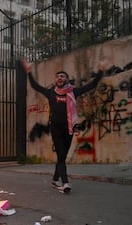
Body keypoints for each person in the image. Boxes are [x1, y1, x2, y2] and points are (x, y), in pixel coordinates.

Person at [22, 59, 107, 193]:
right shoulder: (51, 93)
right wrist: (28, 72)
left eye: (62, 76)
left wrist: (101, 71)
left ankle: (55, 179)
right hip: (55, 128)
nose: (59, 78)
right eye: (58, 76)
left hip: (69, 127)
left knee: (62, 156)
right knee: (61, 155)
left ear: (67, 79)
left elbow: (92, 85)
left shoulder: (73, 92)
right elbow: (35, 86)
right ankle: (65, 183)